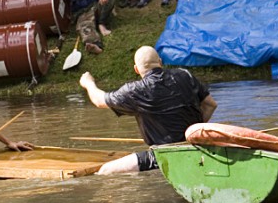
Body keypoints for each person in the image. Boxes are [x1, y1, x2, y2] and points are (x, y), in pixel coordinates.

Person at [78, 46, 217, 174]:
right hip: (198, 148)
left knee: (105, 171)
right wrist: (192, 133)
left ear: (136, 69)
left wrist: (89, 83)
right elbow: (210, 105)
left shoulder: (135, 90)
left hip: (164, 155)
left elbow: (99, 101)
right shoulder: (185, 75)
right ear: (160, 62)